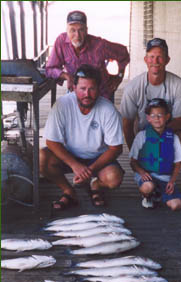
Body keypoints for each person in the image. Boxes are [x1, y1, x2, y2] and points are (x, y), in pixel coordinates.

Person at [40, 64, 124, 210]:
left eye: (92, 89)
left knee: (114, 178)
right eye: (82, 89)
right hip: (69, 155)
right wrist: (75, 165)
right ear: (74, 88)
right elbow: (51, 141)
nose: (87, 94)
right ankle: (68, 191)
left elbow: (116, 148)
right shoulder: (62, 105)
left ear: (98, 89)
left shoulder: (108, 109)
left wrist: (89, 170)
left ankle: (95, 184)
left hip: (97, 158)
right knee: (42, 158)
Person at [120, 38, 181, 152]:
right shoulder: (132, 87)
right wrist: (134, 153)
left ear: (167, 60)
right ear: (145, 59)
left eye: (160, 57)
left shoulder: (179, 85)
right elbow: (126, 123)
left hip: (168, 131)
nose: (155, 61)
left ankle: (173, 168)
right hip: (143, 133)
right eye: (151, 57)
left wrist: (157, 132)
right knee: (133, 127)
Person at [45, 10, 130, 100]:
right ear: (67, 30)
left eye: (81, 30)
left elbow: (123, 52)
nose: (77, 35)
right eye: (72, 30)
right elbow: (50, 69)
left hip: (101, 94)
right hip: (76, 93)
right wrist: (67, 76)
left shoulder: (99, 45)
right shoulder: (61, 41)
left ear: (86, 30)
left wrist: (119, 77)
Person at [129, 98, 181, 211]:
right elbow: (133, 161)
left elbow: (178, 162)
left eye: (160, 115)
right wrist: (142, 172)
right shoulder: (142, 136)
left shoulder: (173, 138)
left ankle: (158, 193)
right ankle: (148, 196)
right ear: (148, 118)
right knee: (148, 187)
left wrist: (172, 181)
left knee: (176, 205)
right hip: (147, 176)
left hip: (165, 178)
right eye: (153, 115)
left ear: (167, 117)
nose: (157, 118)